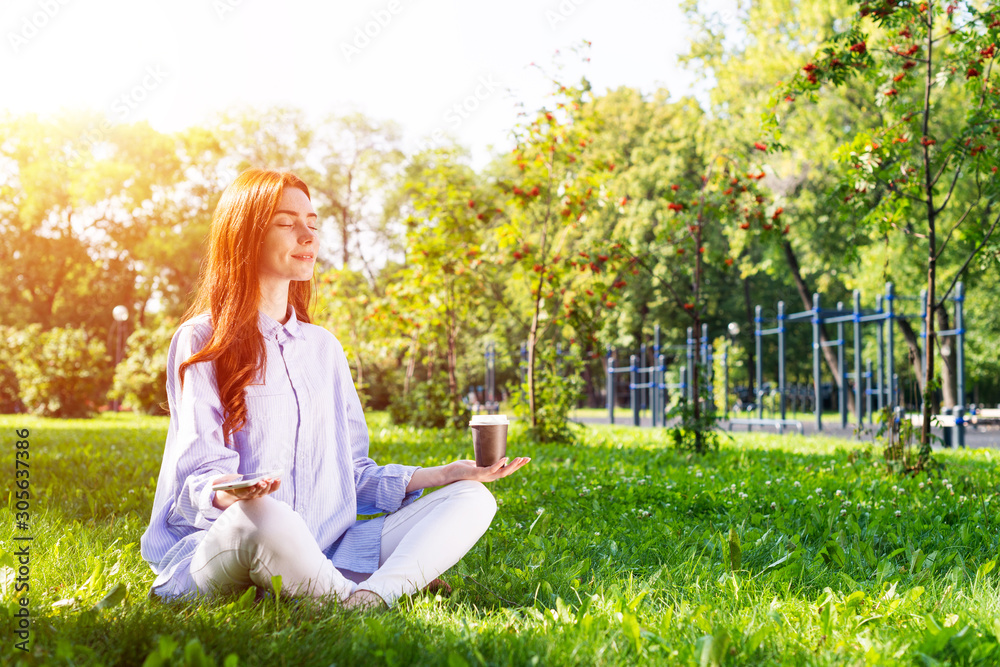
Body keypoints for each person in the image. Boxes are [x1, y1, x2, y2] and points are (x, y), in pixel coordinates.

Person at [140, 168, 529, 609]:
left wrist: (446, 474)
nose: (308, 235)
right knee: (266, 515)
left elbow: (354, 473)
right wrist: (233, 491)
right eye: (287, 223)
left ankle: (367, 598)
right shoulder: (203, 338)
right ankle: (364, 593)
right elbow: (197, 476)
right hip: (231, 541)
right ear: (244, 237)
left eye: (313, 222)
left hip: (333, 548)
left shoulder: (324, 348)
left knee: (471, 498)